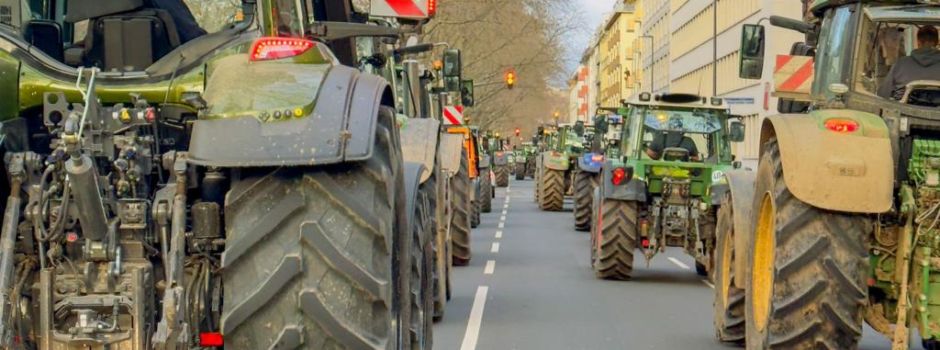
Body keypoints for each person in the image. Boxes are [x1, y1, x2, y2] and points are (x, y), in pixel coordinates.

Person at [878, 26, 940, 100]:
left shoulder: (901, 63)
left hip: (904, 110)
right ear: (937, 42)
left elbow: (883, 94)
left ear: (918, 42)